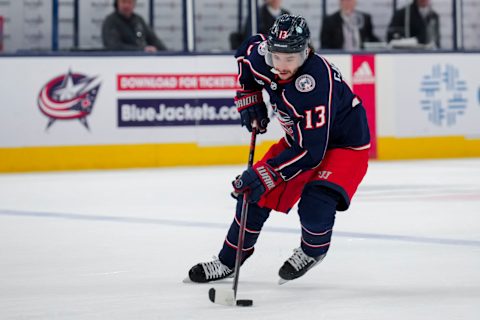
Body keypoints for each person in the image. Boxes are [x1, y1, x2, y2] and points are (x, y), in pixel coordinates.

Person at [188, 14, 370, 284]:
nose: (282, 66)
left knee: (315, 201)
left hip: (344, 145)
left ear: (306, 51)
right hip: (301, 140)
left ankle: (312, 250)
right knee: (252, 195)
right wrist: (249, 98)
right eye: (277, 57)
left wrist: (267, 173)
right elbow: (245, 53)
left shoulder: (314, 85)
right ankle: (228, 260)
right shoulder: (264, 56)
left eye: (291, 58)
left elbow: (312, 153)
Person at [102, 0, 167, 52]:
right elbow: (113, 46)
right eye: (123, 2)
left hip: (140, 60)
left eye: (130, 2)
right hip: (119, 61)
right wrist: (141, 50)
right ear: (117, 3)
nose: (126, 5)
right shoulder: (111, 21)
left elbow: (153, 40)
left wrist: (167, 53)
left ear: (134, 4)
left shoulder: (138, 20)